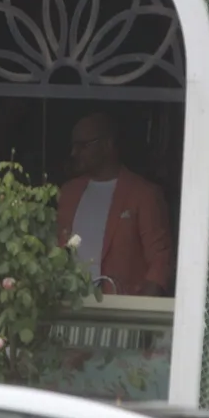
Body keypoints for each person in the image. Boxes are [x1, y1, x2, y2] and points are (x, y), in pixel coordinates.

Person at [56, 112, 174, 296]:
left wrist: (141, 308)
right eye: (73, 146)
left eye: (83, 145)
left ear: (107, 144)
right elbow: (56, 249)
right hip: (70, 303)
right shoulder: (68, 192)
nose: (74, 153)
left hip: (119, 306)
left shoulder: (143, 194)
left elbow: (160, 260)